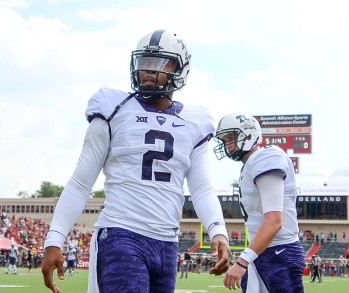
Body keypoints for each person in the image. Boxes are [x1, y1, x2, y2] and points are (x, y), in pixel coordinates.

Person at [42, 29, 232, 293]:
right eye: (144, 63)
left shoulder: (195, 121)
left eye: (158, 64)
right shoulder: (114, 108)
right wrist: (55, 239)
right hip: (121, 234)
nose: (148, 71)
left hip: (166, 243)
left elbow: (201, 188)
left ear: (180, 69)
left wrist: (218, 231)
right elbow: (81, 182)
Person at [214, 113, 305, 293]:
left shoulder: (265, 158)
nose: (227, 144)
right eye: (225, 140)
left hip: (279, 251)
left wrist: (242, 262)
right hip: (262, 252)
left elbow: (274, 222)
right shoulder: (250, 165)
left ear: (249, 135)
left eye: (231, 138)